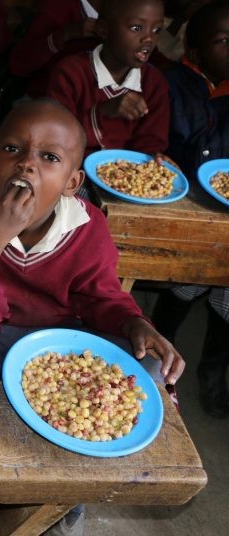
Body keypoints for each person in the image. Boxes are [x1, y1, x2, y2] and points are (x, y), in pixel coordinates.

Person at [0, 99, 184, 384]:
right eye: (12, 149)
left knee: (152, 366)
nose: (26, 164)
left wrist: (135, 324)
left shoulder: (87, 227)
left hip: (58, 350)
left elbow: (102, 299)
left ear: (72, 183)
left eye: (50, 157)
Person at [152, 0, 229, 418]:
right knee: (184, 283)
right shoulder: (170, 84)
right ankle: (160, 350)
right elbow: (153, 141)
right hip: (179, 208)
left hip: (224, 216)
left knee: (226, 291)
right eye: (223, 41)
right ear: (195, 52)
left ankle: (213, 370)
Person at [45, 0, 170, 156]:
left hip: (122, 169)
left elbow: (150, 142)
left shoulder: (154, 83)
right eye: (136, 28)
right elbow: (54, 137)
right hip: (68, 164)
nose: (149, 39)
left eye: (156, 30)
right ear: (103, 30)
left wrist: (154, 157)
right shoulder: (71, 72)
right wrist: (103, 111)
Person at [9, 0, 103, 96]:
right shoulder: (60, 5)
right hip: (44, 99)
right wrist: (66, 33)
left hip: (87, 103)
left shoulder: (110, 18)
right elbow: (19, 64)